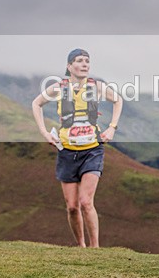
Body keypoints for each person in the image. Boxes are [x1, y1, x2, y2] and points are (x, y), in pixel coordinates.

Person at [31, 49, 123, 248]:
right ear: (69, 66)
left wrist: (112, 128)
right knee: (72, 207)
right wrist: (44, 132)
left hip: (92, 150)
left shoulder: (96, 86)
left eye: (87, 61)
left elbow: (118, 100)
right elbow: (36, 103)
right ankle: (81, 246)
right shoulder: (59, 88)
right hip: (66, 150)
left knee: (85, 201)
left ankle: (95, 247)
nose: (84, 64)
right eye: (79, 61)